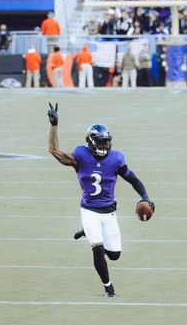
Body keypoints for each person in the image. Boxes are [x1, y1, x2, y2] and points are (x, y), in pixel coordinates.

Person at [47, 103, 155, 297]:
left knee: (114, 255)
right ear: (90, 142)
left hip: (109, 211)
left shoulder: (116, 159)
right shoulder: (80, 155)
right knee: (97, 250)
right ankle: (109, 288)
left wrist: (145, 197)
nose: (104, 146)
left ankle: (89, 233)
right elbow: (54, 150)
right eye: (100, 142)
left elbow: (133, 179)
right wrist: (54, 125)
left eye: (106, 142)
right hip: (89, 210)